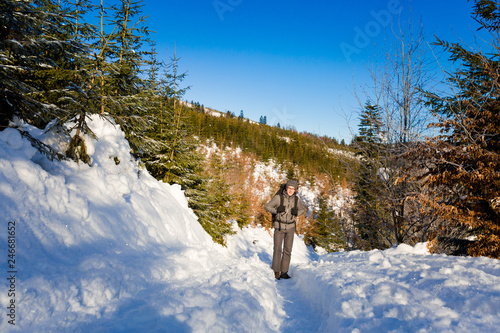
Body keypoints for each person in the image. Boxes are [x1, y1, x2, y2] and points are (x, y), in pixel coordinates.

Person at [265, 179, 307, 280]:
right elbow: (267, 207)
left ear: (295, 190)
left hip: (290, 228)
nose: (291, 190)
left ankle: (284, 272)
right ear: (286, 188)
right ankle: (276, 271)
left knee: (288, 250)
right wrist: (276, 210)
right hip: (279, 226)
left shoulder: (297, 200)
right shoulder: (278, 198)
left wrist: (296, 212)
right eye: (289, 188)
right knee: (277, 249)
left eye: (293, 189)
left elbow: (302, 210)